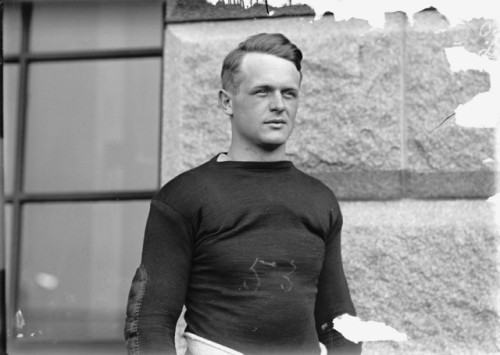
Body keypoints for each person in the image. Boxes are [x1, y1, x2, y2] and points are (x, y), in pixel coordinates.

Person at [124, 32, 362, 355]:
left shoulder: (320, 200)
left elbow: (339, 323)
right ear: (227, 102)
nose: (278, 105)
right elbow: (150, 322)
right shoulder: (184, 197)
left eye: (289, 93)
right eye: (262, 91)